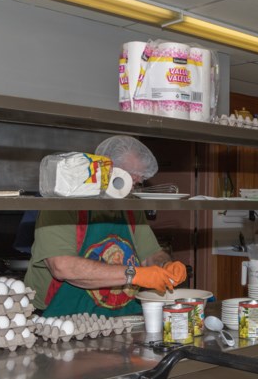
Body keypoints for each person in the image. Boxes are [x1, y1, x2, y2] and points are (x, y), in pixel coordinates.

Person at [25, 136, 186, 317]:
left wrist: (165, 265)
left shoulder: (130, 205)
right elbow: (62, 267)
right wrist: (134, 274)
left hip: (121, 317)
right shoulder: (63, 204)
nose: (132, 185)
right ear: (104, 167)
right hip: (61, 319)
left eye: (137, 181)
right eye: (128, 175)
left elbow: (150, 255)